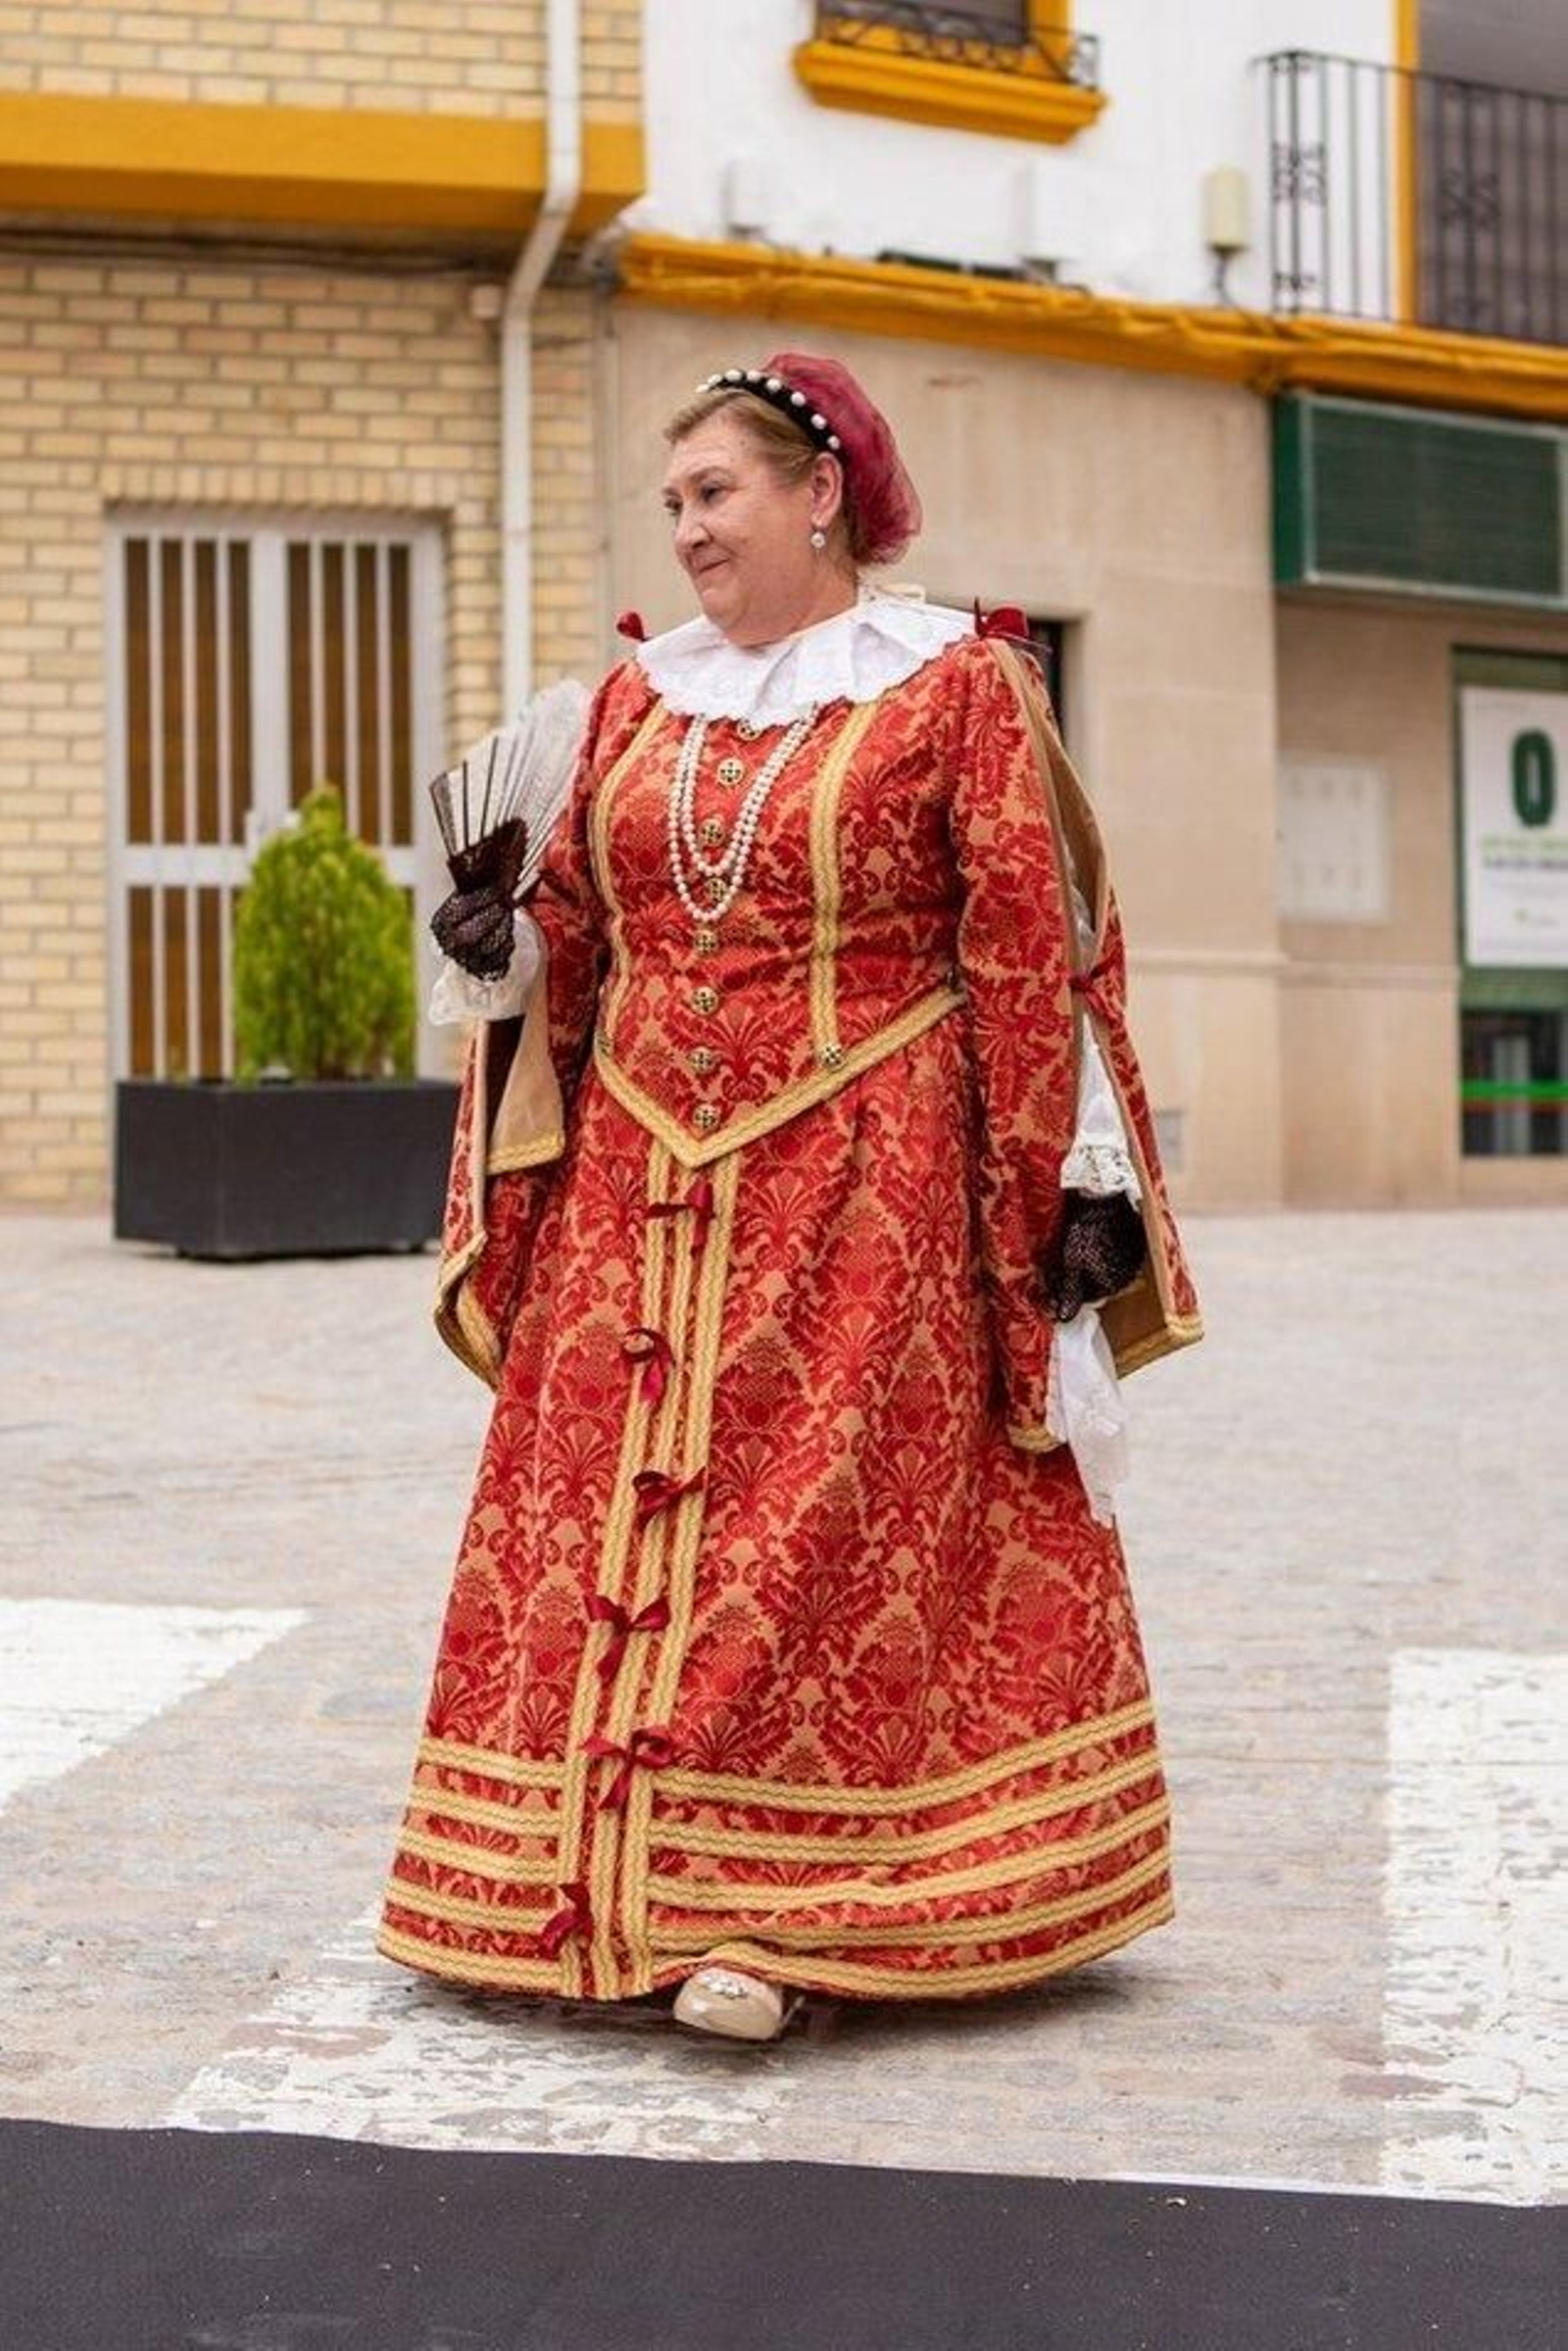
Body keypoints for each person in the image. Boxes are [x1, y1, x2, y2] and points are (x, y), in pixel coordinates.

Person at [378, 352, 1202, 2043]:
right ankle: (563, 1888)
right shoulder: (633, 706)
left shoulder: (956, 688)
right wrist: (511, 953)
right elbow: (592, 944)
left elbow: (1033, 958)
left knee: (822, 1544)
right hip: (639, 1196)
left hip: (867, 1193)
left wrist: (1056, 1201)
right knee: (605, 1537)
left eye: (715, 493)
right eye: (672, 501)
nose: (685, 529)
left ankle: (782, 1918)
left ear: (819, 494)